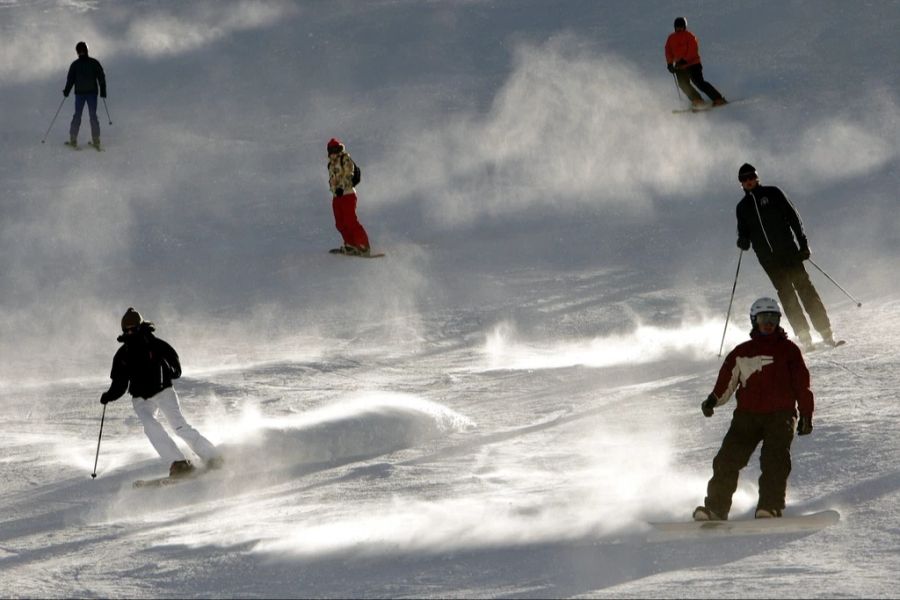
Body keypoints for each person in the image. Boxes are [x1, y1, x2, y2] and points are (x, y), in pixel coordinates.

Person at [694, 297, 814, 521]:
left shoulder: (789, 351)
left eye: (773, 318)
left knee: (775, 459)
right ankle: (715, 509)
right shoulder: (742, 352)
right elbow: (726, 382)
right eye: (763, 318)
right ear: (754, 321)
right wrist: (712, 401)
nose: (768, 323)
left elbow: (802, 385)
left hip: (781, 415)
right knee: (727, 460)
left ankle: (769, 507)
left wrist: (806, 414)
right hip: (747, 417)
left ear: (778, 321)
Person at [100, 308, 222, 477]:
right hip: (141, 399)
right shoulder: (123, 355)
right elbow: (120, 383)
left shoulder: (156, 345)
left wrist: (167, 371)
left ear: (140, 326)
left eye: (133, 328)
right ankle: (179, 463)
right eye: (126, 329)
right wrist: (109, 396)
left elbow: (176, 368)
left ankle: (212, 457)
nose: (129, 332)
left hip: (163, 391)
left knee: (179, 426)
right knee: (150, 427)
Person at [735, 163, 836, 350]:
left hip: (789, 253)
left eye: (751, 177)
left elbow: (793, 217)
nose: (748, 181)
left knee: (805, 289)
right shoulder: (742, 208)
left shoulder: (773, 193)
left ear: (757, 178)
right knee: (787, 295)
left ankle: (826, 332)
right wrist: (742, 241)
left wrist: (803, 243)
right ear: (741, 183)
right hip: (768, 260)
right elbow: (744, 233)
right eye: (744, 179)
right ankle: (805, 337)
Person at [665, 17, 727, 108]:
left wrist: (685, 60)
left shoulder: (689, 36)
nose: (679, 28)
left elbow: (693, 50)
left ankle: (718, 99)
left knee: (699, 83)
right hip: (679, 66)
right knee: (683, 85)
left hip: (693, 64)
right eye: (677, 27)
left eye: (681, 26)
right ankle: (697, 100)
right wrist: (670, 64)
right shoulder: (671, 38)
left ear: (684, 27)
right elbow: (668, 51)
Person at [327, 138, 371, 256]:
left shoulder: (345, 159)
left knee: (350, 220)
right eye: (330, 150)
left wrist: (341, 187)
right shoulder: (331, 164)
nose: (333, 152)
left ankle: (363, 245)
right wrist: (334, 188)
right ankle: (350, 244)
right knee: (340, 223)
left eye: (335, 149)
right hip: (337, 196)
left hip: (347, 194)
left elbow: (348, 174)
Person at [63, 41, 107, 149]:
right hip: (90, 93)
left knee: (78, 115)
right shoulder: (93, 62)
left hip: (82, 94)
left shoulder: (76, 64)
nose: (81, 52)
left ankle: (74, 139)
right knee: (92, 116)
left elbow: (70, 79)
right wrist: (103, 90)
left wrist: (67, 91)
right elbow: (101, 77)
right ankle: (95, 140)